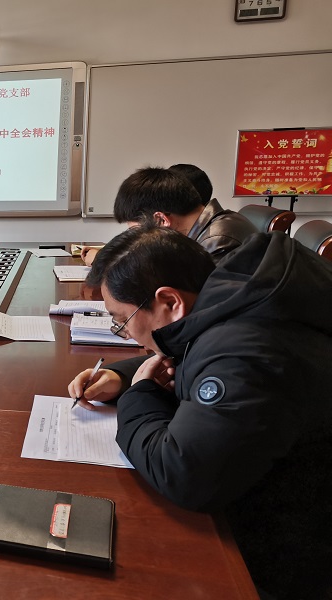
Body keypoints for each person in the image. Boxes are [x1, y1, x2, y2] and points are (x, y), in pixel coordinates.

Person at [67, 223, 332, 599]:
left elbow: (185, 475)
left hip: (282, 556)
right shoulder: (229, 296)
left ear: (170, 301)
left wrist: (138, 395)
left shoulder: (246, 354)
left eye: (122, 321)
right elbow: (187, 347)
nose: (125, 334)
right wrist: (120, 376)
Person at [112, 166, 257, 262]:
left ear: (161, 220)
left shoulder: (217, 243)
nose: (138, 239)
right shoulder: (211, 227)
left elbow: (192, 296)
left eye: (137, 231)